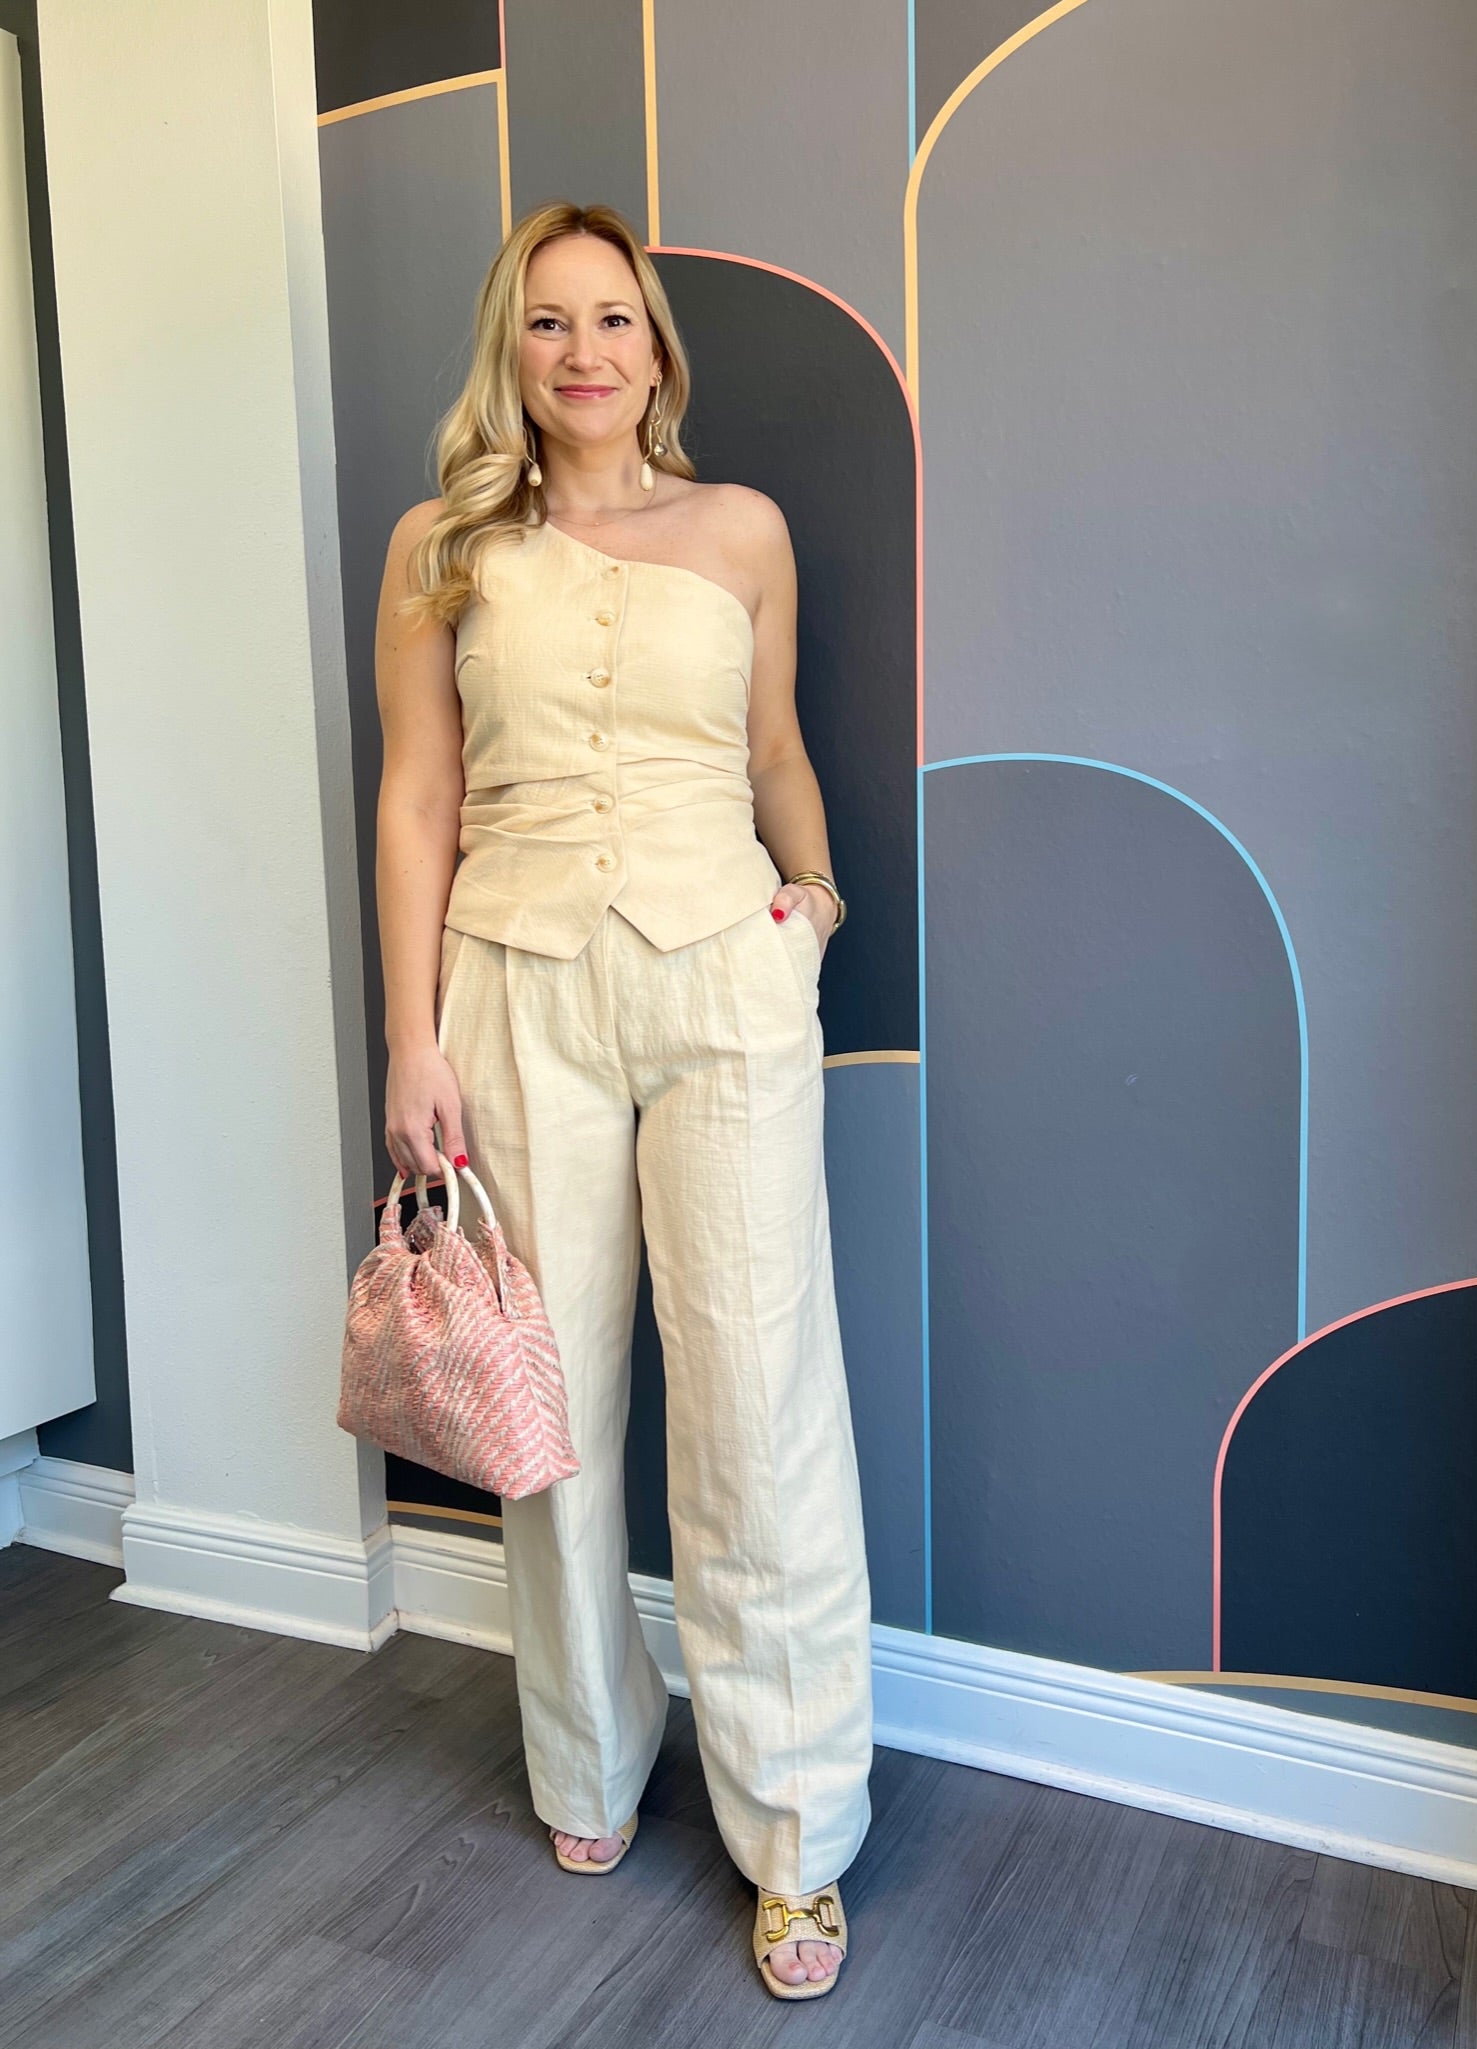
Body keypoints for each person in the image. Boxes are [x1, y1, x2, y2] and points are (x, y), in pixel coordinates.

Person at [371, 200, 873, 1999]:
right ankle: (587, 1754)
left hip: (721, 978)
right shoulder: (441, 543)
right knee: (555, 1405)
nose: (581, 351)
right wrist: (411, 1037)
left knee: (757, 1401)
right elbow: (417, 796)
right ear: (509, 352)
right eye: (546, 322)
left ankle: (796, 1834)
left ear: (655, 348)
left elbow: (771, 749)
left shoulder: (741, 529)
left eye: (611, 319)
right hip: (512, 988)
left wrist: (811, 907)